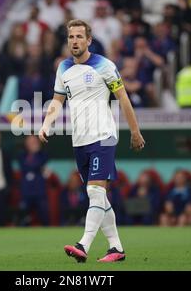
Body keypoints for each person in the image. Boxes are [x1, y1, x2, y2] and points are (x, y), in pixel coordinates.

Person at [39, 19, 145, 263]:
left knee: (94, 191)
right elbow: (57, 101)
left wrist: (135, 131)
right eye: (71, 37)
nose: (74, 41)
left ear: (89, 40)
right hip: (80, 141)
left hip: (103, 136)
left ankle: (83, 245)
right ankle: (116, 247)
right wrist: (46, 124)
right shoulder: (63, 68)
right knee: (98, 197)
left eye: (79, 36)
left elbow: (123, 99)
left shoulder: (105, 66)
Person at [18, 135, 49, 226]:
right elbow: (24, 166)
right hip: (26, 192)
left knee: (44, 217)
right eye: (30, 142)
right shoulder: (22, 156)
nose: (32, 144)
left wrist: (36, 153)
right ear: (26, 144)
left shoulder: (42, 155)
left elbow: (40, 163)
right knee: (23, 218)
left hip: (39, 191)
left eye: (34, 142)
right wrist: (36, 168)